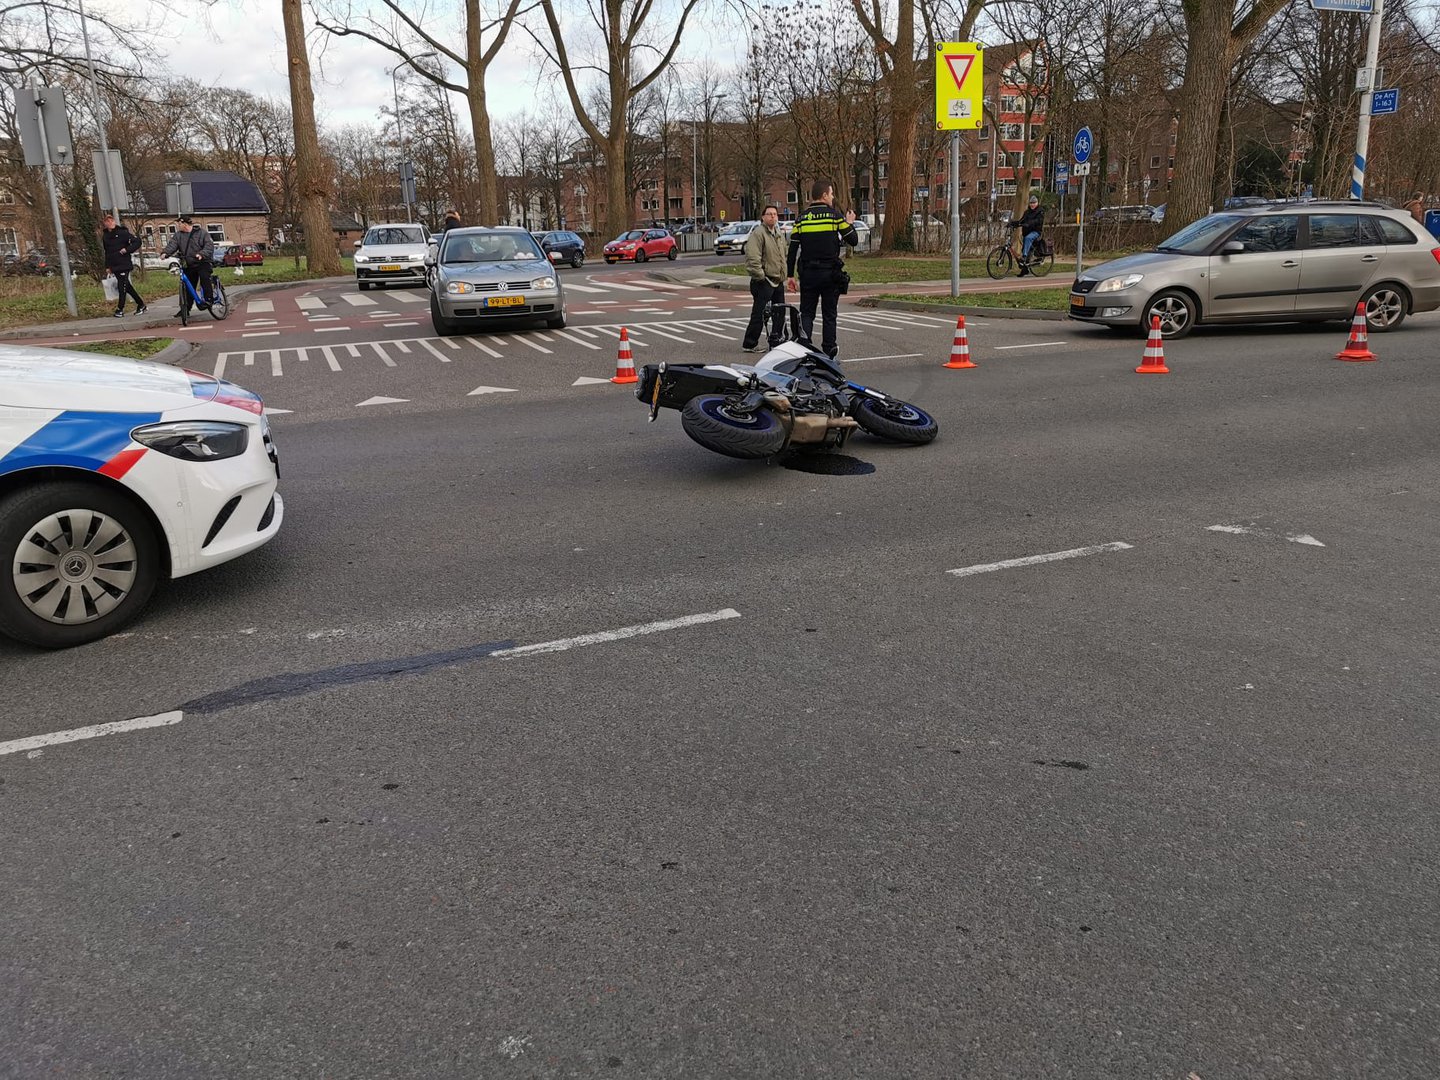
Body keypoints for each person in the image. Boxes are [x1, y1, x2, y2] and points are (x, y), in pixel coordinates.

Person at [785, 180, 857, 359]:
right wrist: (849, 223)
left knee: (807, 313)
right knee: (829, 314)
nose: (833, 197)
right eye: (831, 194)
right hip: (830, 274)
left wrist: (790, 276)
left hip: (808, 274)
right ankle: (829, 351)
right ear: (824, 195)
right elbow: (853, 240)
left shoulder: (801, 218)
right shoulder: (834, 216)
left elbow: (792, 249)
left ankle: (803, 349)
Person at [741, 205, 787, 352]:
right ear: (763, 217)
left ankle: (776, 339)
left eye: (774, 214)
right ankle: (750, 343)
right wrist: (760, 276)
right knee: (759, 313)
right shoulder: (758, 233)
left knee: (779, 312)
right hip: (764, 281)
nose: (772, 216)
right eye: (769, 214)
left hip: (777, 280)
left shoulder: (778, 233)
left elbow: (782, 254)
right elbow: (753, 257)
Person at [162, 216, 215, 318]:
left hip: (203, 262)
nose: (177, 226)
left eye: (179, 224)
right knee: (188, 286)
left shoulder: (202, 233)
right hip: (190, 263)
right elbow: (172, 245)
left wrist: (201, 254)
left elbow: (209, 245)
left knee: (204, 278)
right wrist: (165, 253)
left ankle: (209, 300)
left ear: (184, 224)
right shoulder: (178, 236)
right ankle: (185, 309)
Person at [100, 213, 145, 317]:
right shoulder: (105, 236)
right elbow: (107, 252)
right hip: (114, 265)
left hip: (123, 264)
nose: (110, 223)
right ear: (105, 223)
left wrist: (127, 250)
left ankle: (120, 309)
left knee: (122, 287)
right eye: (108, 221)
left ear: (115, 222)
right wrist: (107, 266)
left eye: (112, 221)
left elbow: (137, 241)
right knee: (127, 286)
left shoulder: (122, 233)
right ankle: (141, 304)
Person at [1012, 195, 1045, 276]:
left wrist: (1029, 223)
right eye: (1031, 203)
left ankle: (1024, 256)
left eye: (1034, 203)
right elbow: (1022, 220)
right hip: (1027, 232)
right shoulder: (1027, 212)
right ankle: (1024, 270)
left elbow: (1038, 221)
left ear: (1037, 203)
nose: (1032, 204)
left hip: (1036, 232)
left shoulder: (1040, 211)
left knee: (1027, 239)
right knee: (1025, 248)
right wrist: (1014, 223)